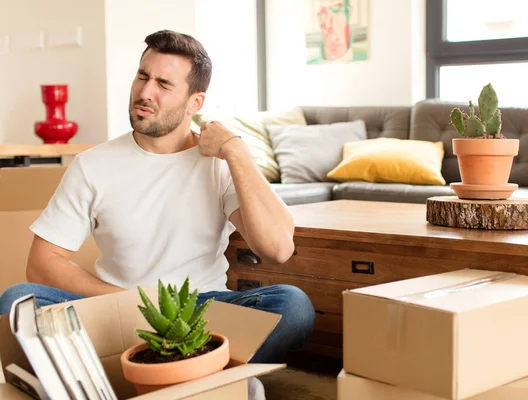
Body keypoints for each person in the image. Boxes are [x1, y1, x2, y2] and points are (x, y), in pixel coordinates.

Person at [0, 29, 315, 397]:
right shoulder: (93, 165)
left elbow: (277, 248)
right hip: (117, 307)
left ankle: (146, 378)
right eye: (142, 76)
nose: (145, 92)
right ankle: (214, 378)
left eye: (164, 83)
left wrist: (237, 152)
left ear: (195, 102)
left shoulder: (220, 163)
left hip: (200, 312)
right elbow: (42, 262)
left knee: (292, 306)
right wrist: (128, 304)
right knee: (16, 302)